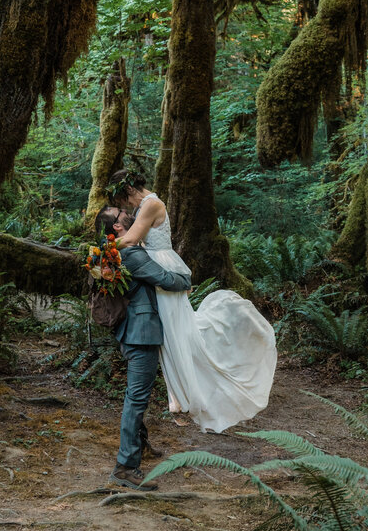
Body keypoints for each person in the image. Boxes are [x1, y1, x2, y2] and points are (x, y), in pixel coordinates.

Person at [109, 169, 277, 433]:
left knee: (181, 334)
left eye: (122, 199)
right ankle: (179, 394)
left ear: (129, 189)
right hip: (154, 265)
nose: (124, 206)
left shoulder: (151, 204)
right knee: (176, 335)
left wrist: (99, 250)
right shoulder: (145, 205)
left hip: (160, 267)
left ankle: (204, 390)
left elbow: (130, 239)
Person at [93, 204, 191, 491]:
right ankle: (125, 467)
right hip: (141, 334)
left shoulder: (110, 252)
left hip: (132, 332)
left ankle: (139, 447)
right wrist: (187, 279)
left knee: (136, 396)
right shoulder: (131, 254)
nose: (127, 212)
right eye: (121, 213)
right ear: (117, 227)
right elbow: (164, 279)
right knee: (136, 399)